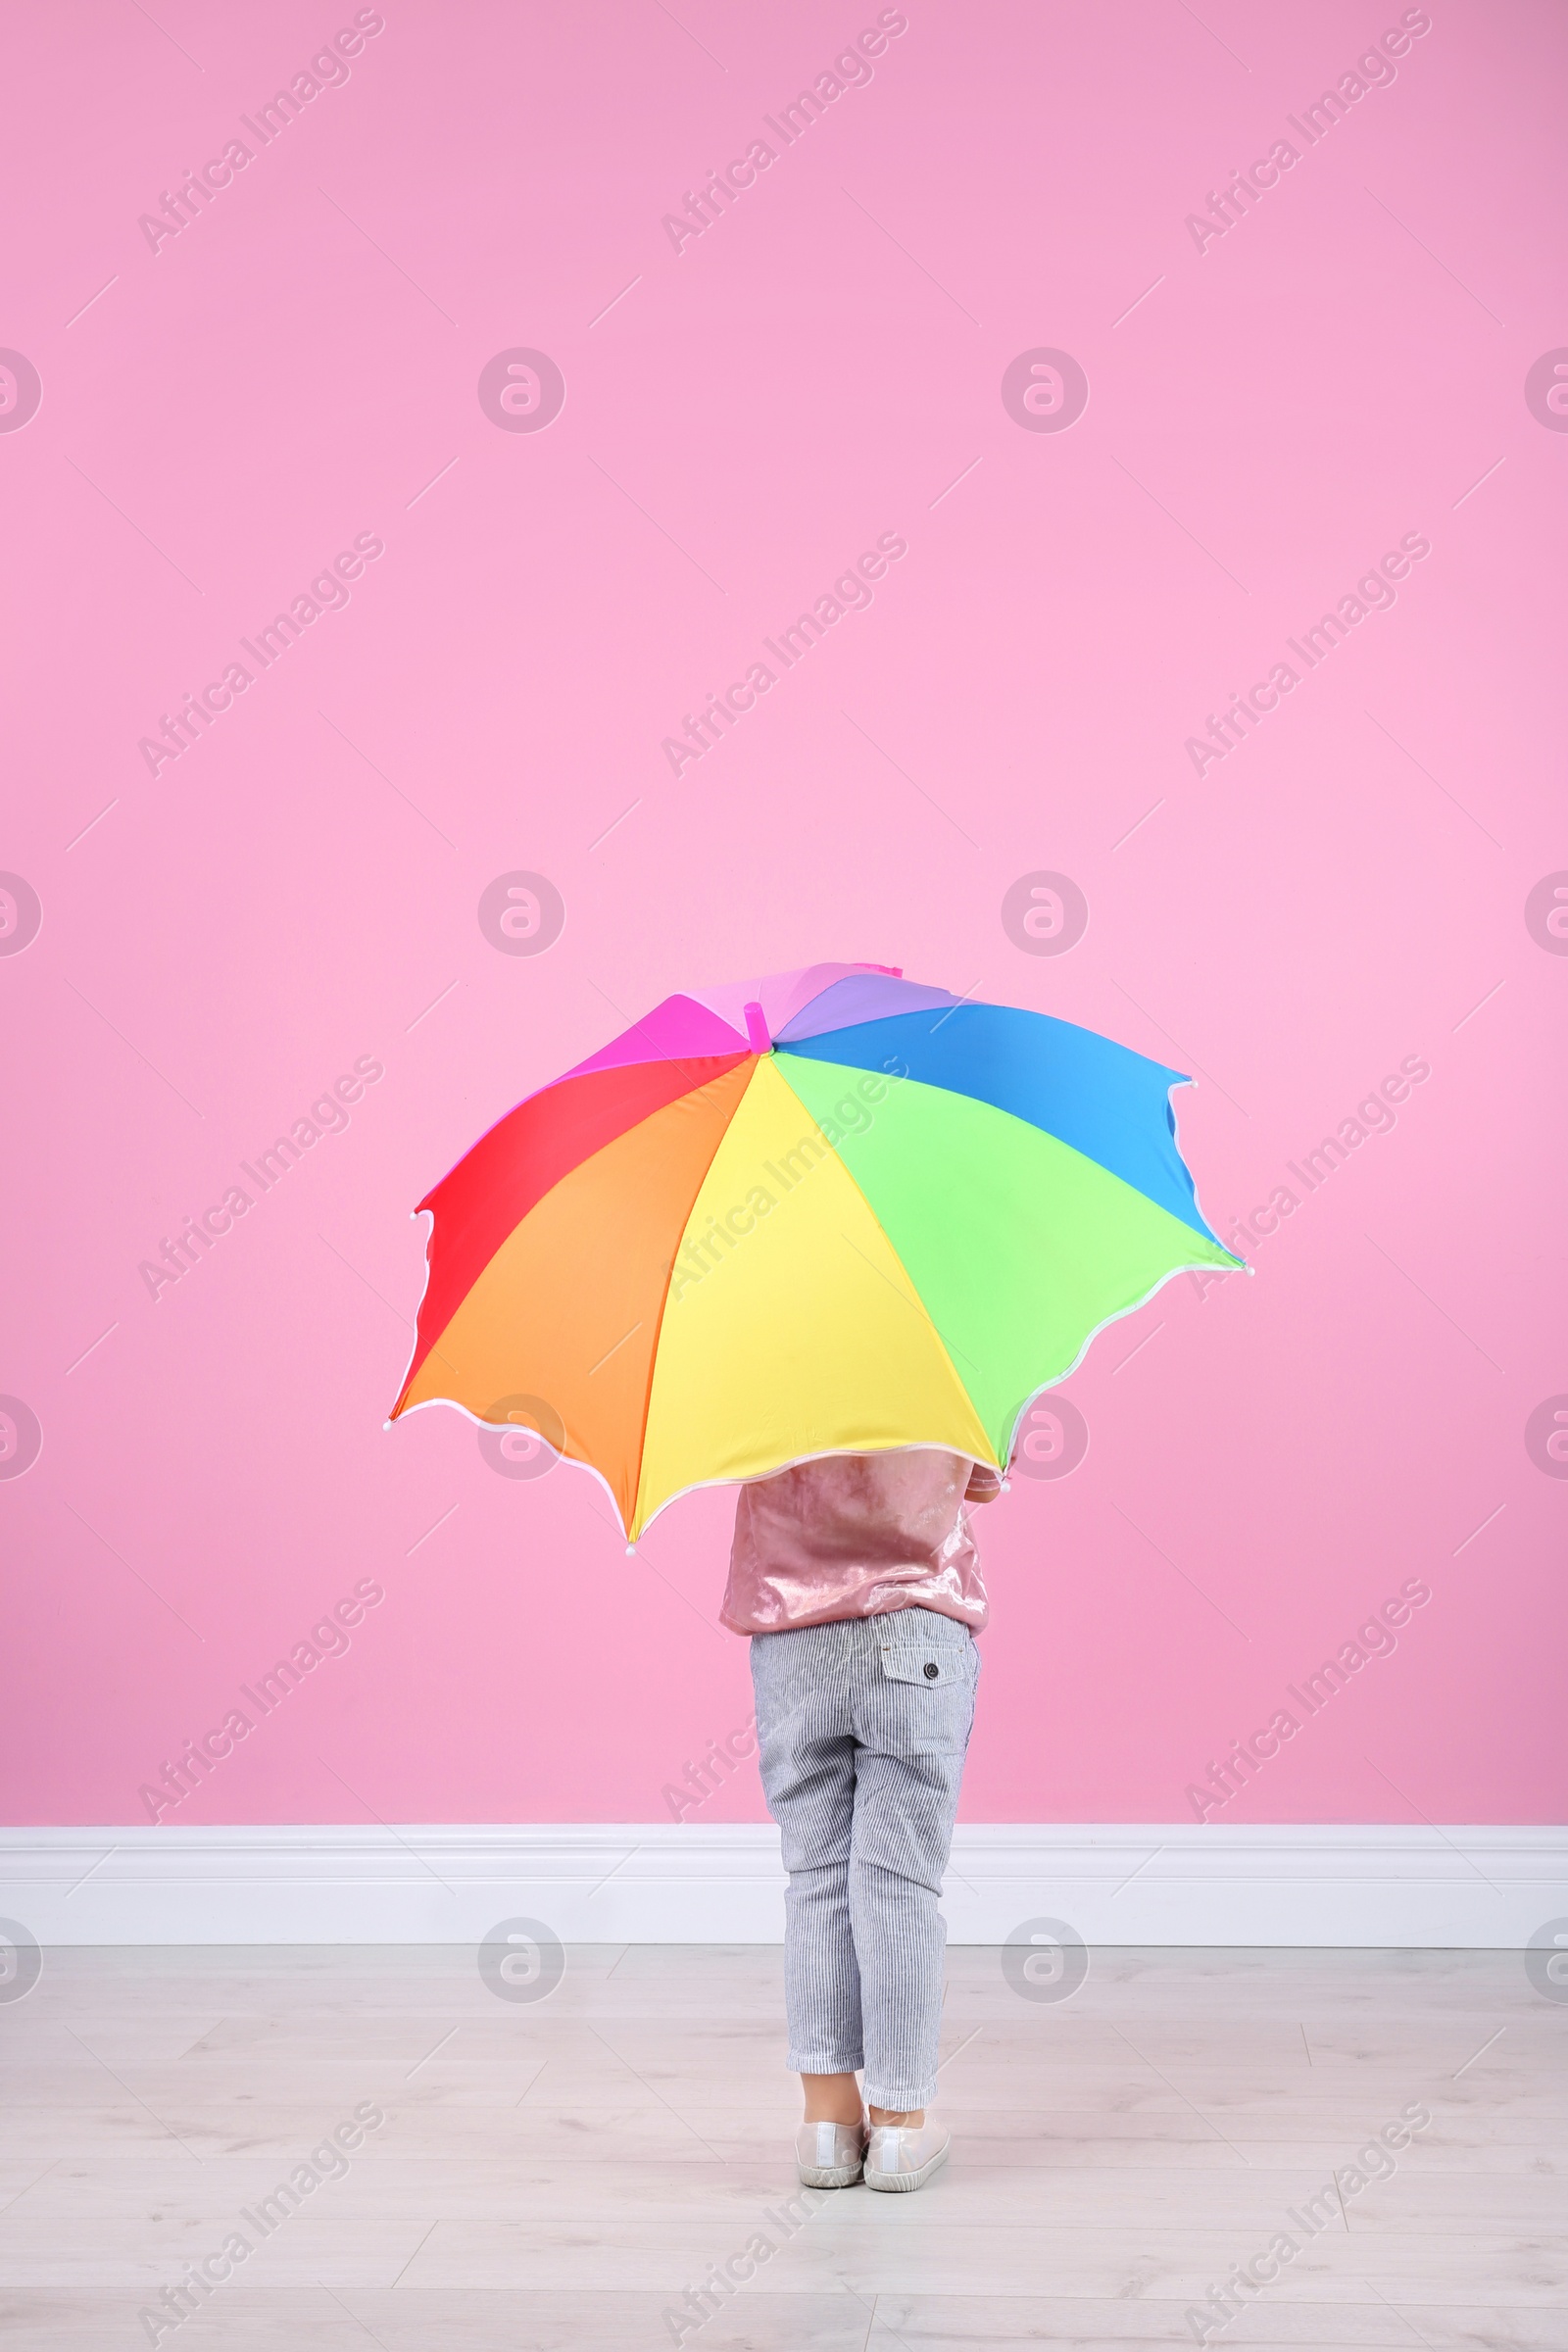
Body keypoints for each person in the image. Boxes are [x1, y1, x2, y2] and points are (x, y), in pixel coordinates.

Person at [721, 1446, 1004, 2194]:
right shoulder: (945, 1351)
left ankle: (825, 2122)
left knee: (814, 1877)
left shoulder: (748, 1355)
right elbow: (984, 1480)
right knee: (900, 1887)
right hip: (918, 1630)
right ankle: (901, 2128)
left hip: (793, 1642)